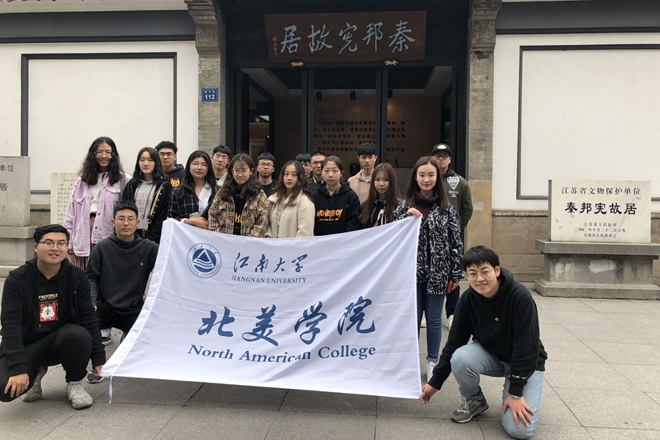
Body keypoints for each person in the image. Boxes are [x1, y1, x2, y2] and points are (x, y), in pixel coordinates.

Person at [420, 246, 547, 440]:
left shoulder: (519, 297)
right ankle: (475, 401)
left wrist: (515, 392)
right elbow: (453, 344)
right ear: (467, 276)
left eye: (484, 272)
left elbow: (526, 348)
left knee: (520, 431)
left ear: (497, 270)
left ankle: (521, 391)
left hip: (525, 364)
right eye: (472, 273)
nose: (479, 279)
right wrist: (434, 383)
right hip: (493, 355)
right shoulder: (467, 300)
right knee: (460, 357)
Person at [0, 225, 105, 409]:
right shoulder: (17, 280)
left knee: (78, 334)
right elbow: (11, 327)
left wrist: (99, 358)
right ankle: (35, 373)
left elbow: (89, 318)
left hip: (62, 340)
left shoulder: (77, 277)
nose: (55, 248)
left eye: (61, 243)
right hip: (28, 344)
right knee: (5, 389)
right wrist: (18, 369)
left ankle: (74, 383)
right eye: (48, 243)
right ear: (35, 247)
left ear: (67, 248)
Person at [394, 156, 463, 383]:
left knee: (434, 320)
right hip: (411, 274)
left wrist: (455, 273)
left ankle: (433, 361)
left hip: (438, 274)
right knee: (412, 319)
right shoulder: (403, 207)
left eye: (431, 175)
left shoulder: (446, 209)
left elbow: (456, 242)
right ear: (415, 177)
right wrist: (405, 219)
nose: (426, 179)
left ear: (437, 178)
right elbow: (393, 238)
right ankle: (409, 361)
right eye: (422, 175)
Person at [85, 201, 158, 383]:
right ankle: (98, 365)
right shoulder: (102, 248)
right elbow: (91, 277)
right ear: (113, 222)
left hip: (134, 307)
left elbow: (167, 266)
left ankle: (126, 341)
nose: (126, 223)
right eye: (121, 219)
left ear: (137, 222)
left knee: (152, 335)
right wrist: (91, 302)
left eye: (130, 219)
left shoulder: (149, 248)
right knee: (84, 326)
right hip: (105, 306)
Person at [64, 136, 130, 271]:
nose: (104, 156)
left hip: (108, 234)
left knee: (107, 273)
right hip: (82, 236)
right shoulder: (82, 181)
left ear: (113, 155)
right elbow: (71, 213)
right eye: (99, 152)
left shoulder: (123, 180)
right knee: (82, 275)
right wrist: (68, 241)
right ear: (93, 154)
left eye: (108, 152)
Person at [431, 143, 473, 330]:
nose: (441, 159)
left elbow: (467, 208)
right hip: (430, 237)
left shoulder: (459, 182)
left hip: (451, 239)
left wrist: (456, 228)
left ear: (450, 159)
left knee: (453, 274)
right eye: (437, 156)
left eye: (444, 156)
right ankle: (425, 313)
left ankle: (452, 313)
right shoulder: (427, 178)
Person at [208, 153, 269, 237]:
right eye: (236, 170)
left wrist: (248, 241)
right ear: (232, 171)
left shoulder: (259, 195)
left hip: (249, 242)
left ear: (251, 171)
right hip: (224, 241)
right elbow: (212, 215)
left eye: (244, 170)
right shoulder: (222, 192)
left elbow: (263, 222)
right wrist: (221, 238)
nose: (240, 175)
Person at [122, 147, 172, 244]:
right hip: (131, 237)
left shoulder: (165, 186)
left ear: (156, 162)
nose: (145, 163)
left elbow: (163, 214)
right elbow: (125, 208)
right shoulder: (131, 185)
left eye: (150, 160)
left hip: (155, 239)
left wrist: (152, 239)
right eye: (142, 160)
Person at [168, 150, 217, 230]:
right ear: (189, 166)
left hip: (211, 235)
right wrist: (189, 221)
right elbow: (170, 220)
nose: (199, 167)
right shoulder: (177, 192)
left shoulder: (217, 191)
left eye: (204, 165)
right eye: (195, 164)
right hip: (185, 235)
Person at [266, 160, 315, 238]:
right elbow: (267, 225)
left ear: (300, 177)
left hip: (292, 246)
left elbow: (305, 234)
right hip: (273, 245)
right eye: (286, 174)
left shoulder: (305, 203)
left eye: (294, 175)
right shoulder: (274, 199)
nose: (289, 178)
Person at [312, 156, 360, 236]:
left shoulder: (351, 197)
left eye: (335, 171)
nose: (330, 175)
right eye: (326, 171)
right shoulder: (315, 197)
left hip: (344, 242)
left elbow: (354, 224)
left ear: (341, 173)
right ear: (322, 173)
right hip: (320, 242)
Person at [358, 163, 404, 228]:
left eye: (386, 179)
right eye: (377, 179)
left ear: (392, 181)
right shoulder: (365, 206)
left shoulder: (400, 206)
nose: (381, 183)